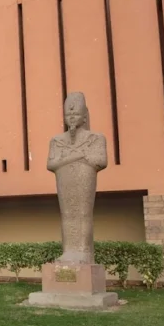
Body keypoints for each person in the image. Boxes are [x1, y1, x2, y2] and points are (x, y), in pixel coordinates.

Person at [46, 93, 107, 264]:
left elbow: (101, 161)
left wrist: (78, 157)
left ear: (85, 116)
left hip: (84, 177)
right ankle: (68, 251)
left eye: (76, 114)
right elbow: (51, 164)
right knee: (67, 214)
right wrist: (77, 156)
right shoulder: (57, 140)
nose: (72, 117)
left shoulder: (95, 138)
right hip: (64, 177)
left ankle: (83, 251)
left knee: (83, 213)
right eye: (68, 115)